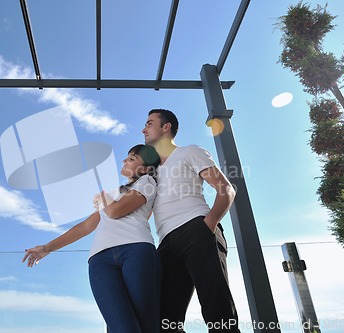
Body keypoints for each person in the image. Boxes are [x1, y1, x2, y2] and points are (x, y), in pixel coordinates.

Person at [22, 144, 162, 333]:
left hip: (135, 250)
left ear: (144, 169)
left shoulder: (147, 181)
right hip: (100, 259)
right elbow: (87, 225)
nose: (124, 160)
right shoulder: (113, 194)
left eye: (132, 158)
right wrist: (47, 248)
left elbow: (116, 211)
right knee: (119, 327)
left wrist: (103, 198)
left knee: (146, 324)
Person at [142, 109, 240, 333]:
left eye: (149, 123)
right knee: (164, 322)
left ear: (166, 127)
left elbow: (226, 189)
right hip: (166, 243)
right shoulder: (152, 173)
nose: (143, 129)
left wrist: (209, 224)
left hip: (197, 230)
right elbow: (143, 213)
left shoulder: (189, 152)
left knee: (218, 312)